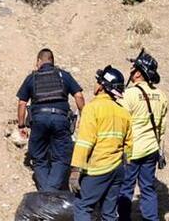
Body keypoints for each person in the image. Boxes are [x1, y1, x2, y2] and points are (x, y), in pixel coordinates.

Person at [16, 48, 86, 191]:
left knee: (39, 158)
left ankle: (46, 193)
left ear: (38, 61)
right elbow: (78, 95)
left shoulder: (32, 78)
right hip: (60, 119)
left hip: (39, 120)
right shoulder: (63, 75)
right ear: (52, 61)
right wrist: (83, 116)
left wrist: (21, 124)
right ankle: (50, 191)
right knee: (61, 158)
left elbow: (22, 103)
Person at [68, 66, 132, 221]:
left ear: (103, 86)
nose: (95, 84)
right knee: (109, 213)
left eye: (98, 81)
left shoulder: (92, 108)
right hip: (117, 170)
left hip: (98, 169)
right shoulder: (123, 112)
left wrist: (76, 170)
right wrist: (126, 163)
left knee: (83, 207)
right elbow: (129, 145)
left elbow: (84, 142)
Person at [119, 50, 168, 221]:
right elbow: (162, 127)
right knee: (148, 188)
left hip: (132, 150)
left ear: (139, 72)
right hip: (151, 148)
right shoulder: (161, 95)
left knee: (126, 189)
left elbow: (121, 122)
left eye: (133, 68)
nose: (131, 71)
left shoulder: (129, 94)